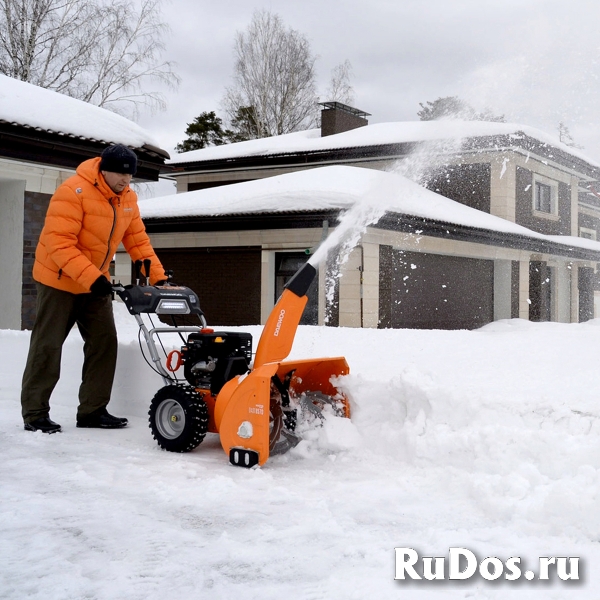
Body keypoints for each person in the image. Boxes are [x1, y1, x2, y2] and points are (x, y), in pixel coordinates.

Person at [21, 144, 167, 433]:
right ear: (104, 169)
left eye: (130, 176)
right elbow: (59, 243)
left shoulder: (127, 199)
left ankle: (92, 410)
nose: (126, 180)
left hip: (94, 281)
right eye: (120, 174)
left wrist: (158, 278)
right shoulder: (73, 191)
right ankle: (35, 413)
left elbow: (138, 242)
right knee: (47, 346)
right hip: (58, 280)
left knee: (104, 343)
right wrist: (92, 278)